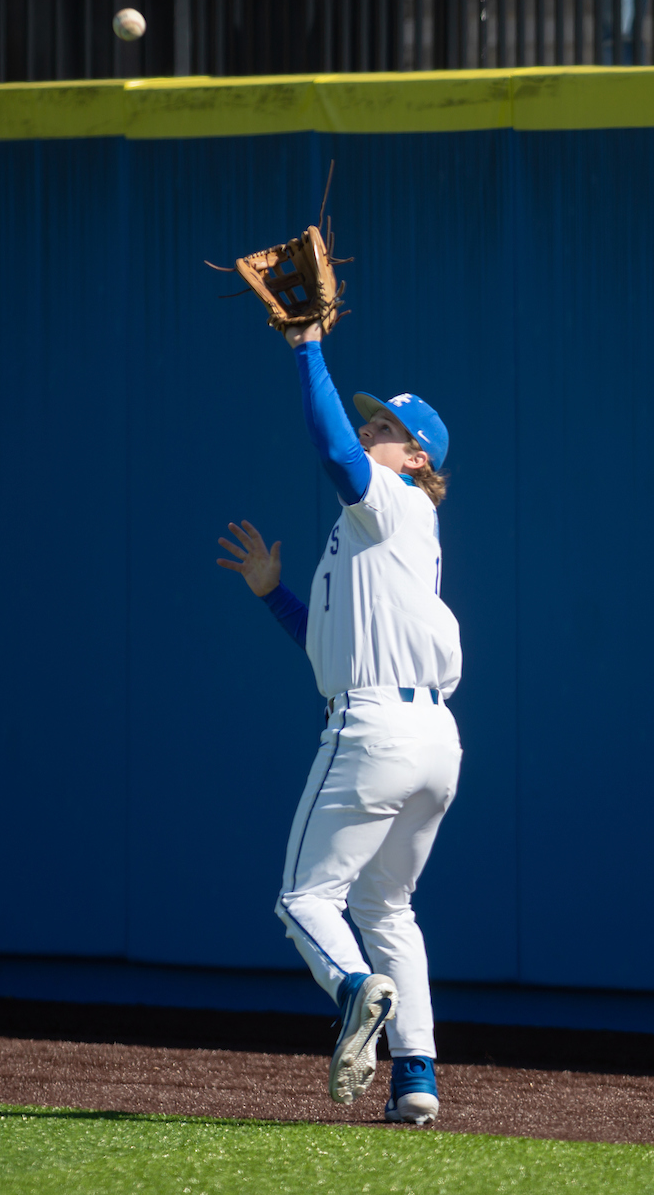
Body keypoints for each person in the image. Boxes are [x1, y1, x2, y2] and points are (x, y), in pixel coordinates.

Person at [217, 321, 463, 1125]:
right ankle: (416, 1080)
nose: (368, 431)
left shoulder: (387, 503)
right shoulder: (381, 536)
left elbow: (332, 452)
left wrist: (306, 346)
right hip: (432, 742)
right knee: (388, 907)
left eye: (386, 428)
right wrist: (272, 594)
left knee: (303, 899)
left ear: (418, 457)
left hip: (374, 733)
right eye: (371, 422)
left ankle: (357, 990)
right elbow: (331, 647)